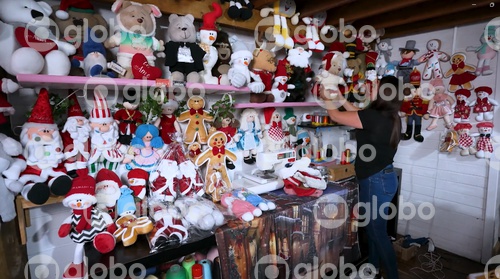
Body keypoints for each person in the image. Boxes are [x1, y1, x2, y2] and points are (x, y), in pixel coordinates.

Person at [320, 75, 402, 279]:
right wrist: (339, 97)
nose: (370, 87)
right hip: (382, 179)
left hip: (377, 180)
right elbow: (358, 113)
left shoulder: (375, 116)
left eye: (375, 86)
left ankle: (393, 276)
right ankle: (372, 269)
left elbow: (337, 117)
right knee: (373, 229)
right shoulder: (389, 115)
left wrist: (326, 97)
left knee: (376, 232)